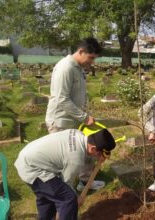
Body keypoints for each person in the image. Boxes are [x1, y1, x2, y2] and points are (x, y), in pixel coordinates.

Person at [14, 128, 116, 220]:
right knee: (68, 198)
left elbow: (82, 153)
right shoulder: (75, 159)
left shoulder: (78, 134)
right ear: (93, 148)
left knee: (47, 196)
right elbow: (67, 183)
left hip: (28, 157)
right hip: (32, 168)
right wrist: (76, 200)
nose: (97, 157)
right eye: (98, 154)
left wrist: (100, 156)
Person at [45, 37, 104, 191]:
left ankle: (85, 182)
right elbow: (61, 99)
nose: (92, 62)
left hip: (75, 120)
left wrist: (85, 113)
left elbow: (78, 95)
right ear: (81, 51)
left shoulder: (78, 68)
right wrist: (84, 117)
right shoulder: (65, 68)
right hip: (60, 122)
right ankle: (64, 193)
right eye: (91, 58)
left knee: (85, 150)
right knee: (65, 160)